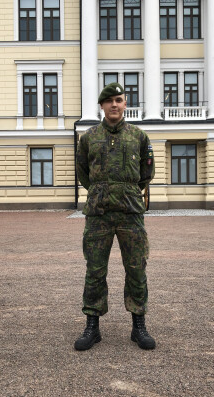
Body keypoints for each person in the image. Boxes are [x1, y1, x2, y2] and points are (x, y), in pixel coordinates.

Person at [74, 82, 156, 351]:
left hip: (130, 213)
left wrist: (127, 191)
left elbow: (147, 173)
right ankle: (92, 327)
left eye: (119, 100)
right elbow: (83, 172)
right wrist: (101, 191)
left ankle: (138, 326)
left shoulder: (139, 137)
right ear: (101, 105)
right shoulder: (88, 138)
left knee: (136, 269)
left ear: (125, 104)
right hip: (98, 213)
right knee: (95, 270)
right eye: (109, 101)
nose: (114, 105)